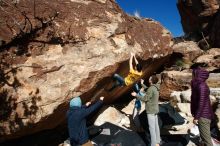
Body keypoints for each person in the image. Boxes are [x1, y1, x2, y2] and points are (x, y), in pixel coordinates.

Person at [131, 75, 161, 146]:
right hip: (155, 109)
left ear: (151, 81)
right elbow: (148, 89)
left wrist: (136, 95)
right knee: (156, 126)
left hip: (151, 110)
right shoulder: (155, 87)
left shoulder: (151, 89)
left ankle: (153, 144)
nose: (149, 79)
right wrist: (142, 84)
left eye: (150, 78)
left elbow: (145, 99)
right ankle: (158, 141)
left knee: (151, 128)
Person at [191, 66, 214, 146]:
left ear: (197, 74)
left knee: (207, 141)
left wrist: (197, 117)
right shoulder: (197, 84)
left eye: (193, 73)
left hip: (203, 116)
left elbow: (201, 103)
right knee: (204, 140)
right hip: (202, 115)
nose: (192, 75)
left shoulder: (202, 86)